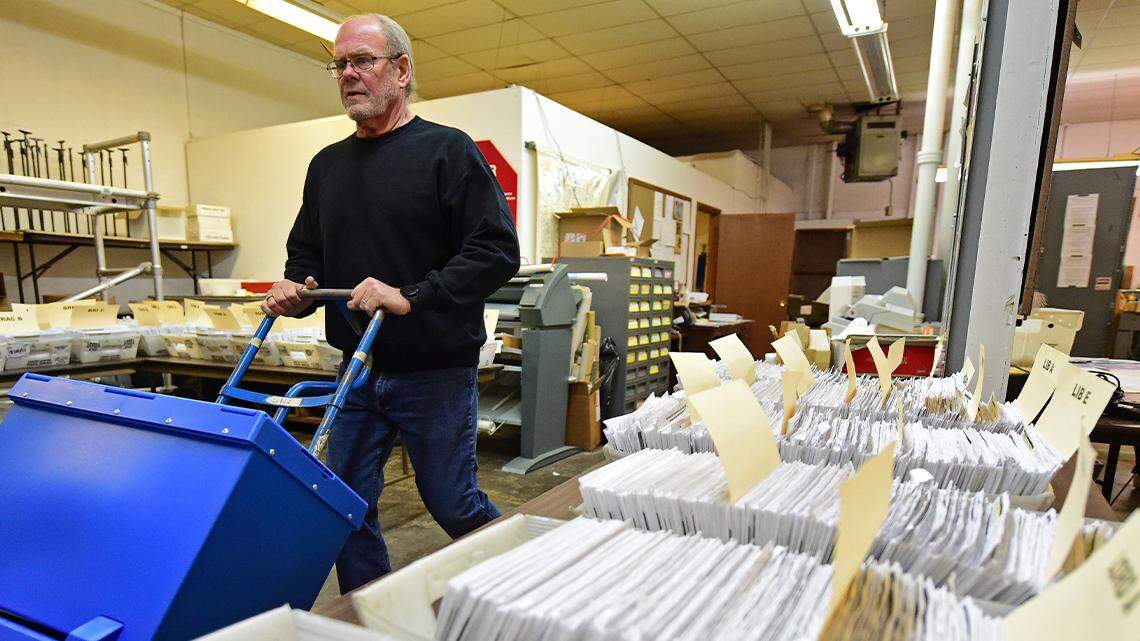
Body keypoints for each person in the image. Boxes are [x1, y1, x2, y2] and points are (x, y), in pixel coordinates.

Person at [261, 13, 520, 594]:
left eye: (363, 61)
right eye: (340, 64)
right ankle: (370, 614)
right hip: (355, 369)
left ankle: (527, 593)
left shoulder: (446, 152)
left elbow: (496, 251)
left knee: (454, 506)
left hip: (434, 371)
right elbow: (308, 256)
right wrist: (293, 290)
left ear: (401, 70)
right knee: (342, 505)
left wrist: (411, 296)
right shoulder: (326, 166)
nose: (348, 74)